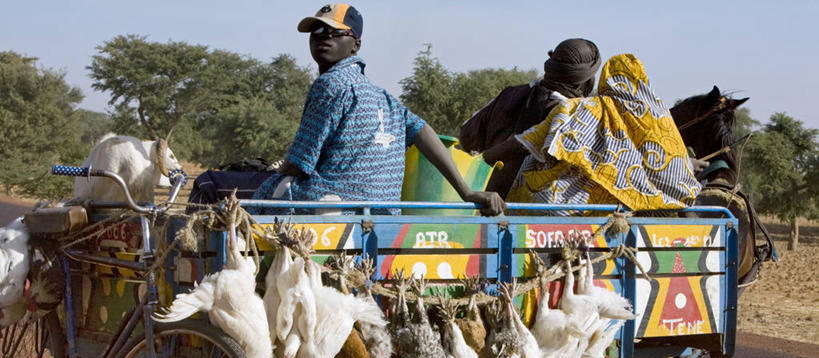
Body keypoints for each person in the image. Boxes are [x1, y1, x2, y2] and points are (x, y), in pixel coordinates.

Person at [251, 4, 505, 216]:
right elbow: (424, 130)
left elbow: (298, 164)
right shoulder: (383, 98)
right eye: (316, 30)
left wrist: (274, 175)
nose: (322, 36)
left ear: (355, 45)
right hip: (384, 214)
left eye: (334, 32)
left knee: (260, 193)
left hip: (334, 207)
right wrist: (465, 191)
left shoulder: (330, 84)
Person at [491, 54, 701, 213]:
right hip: (639, 214)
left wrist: (482, 159)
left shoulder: (580, 109)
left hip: (565, 213)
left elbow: (525, 142)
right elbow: (673, 166)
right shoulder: (661, 121)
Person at [459, 38, 601, 198]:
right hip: (532, 216)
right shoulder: (575, 116)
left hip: (483, 203)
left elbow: (466, 137)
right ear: (586, 81)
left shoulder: (509, 95)